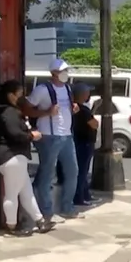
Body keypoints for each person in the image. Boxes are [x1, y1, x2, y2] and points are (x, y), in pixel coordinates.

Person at [0, 80, 56, 236]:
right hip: (12, 156)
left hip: (13, 157)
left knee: (26, 192)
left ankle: (40, 221)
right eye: (20, 93)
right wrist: (31, 135)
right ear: (11, 95)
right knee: (13, 193)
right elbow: (14, 133)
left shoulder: (5, 111)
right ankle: (11, 226)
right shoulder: (9, 112)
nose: (22, 97)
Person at [27, 59, 82, 221]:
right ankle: (46, 212)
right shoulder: (42, 90)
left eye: (67, 70)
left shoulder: (67, 89)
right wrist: (46, 113)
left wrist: (74, 109)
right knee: (47, 173)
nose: (66, 73)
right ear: (53, 73)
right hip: (49, 136)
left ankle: (67, 207)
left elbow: (66, 111)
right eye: (63, 71)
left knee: (73, 171)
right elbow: (27, 109)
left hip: (66, 136)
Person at [72, 84, 99, 206]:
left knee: (83, 170)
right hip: (85, 143)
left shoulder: (78, 109)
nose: (89, 95)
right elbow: (94, 124)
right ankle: (79, 197)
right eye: (87, 93)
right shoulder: (82, 109)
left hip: (80, 141)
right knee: (82, 171)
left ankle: (85, 194)